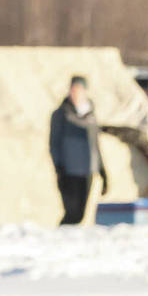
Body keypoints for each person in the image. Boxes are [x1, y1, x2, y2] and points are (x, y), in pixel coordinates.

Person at [47, 75, 108, 225]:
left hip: (87, 169)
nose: (75, 93)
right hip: (68, 170)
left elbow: (95, 145)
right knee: (72, 212)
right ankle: (59, 240)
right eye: (73, 89)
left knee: (81, 213)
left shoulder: (91, 116)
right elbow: (54, 143)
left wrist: (102, 170)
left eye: (78, 90)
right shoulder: (61, 114)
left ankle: (67, 242)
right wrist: (58, 166)